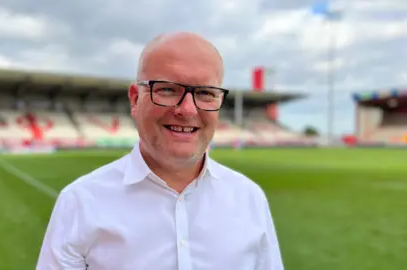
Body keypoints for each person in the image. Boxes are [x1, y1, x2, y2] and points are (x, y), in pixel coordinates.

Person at [36, 31, 284, 270]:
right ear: (135, 99)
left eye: (205, 93)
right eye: (167, 89)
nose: (187, 110)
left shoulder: (250, 199)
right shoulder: (80, 202)